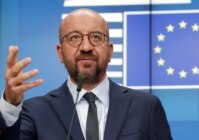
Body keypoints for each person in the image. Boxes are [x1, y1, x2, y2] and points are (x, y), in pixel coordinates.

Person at [0, 8, 172, 140]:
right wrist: (10, 104)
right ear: (60, 52)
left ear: (110, 51)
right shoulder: (35, 111)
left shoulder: (146, 107)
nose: (86, 47)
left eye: (96, 37)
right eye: (74, 38)